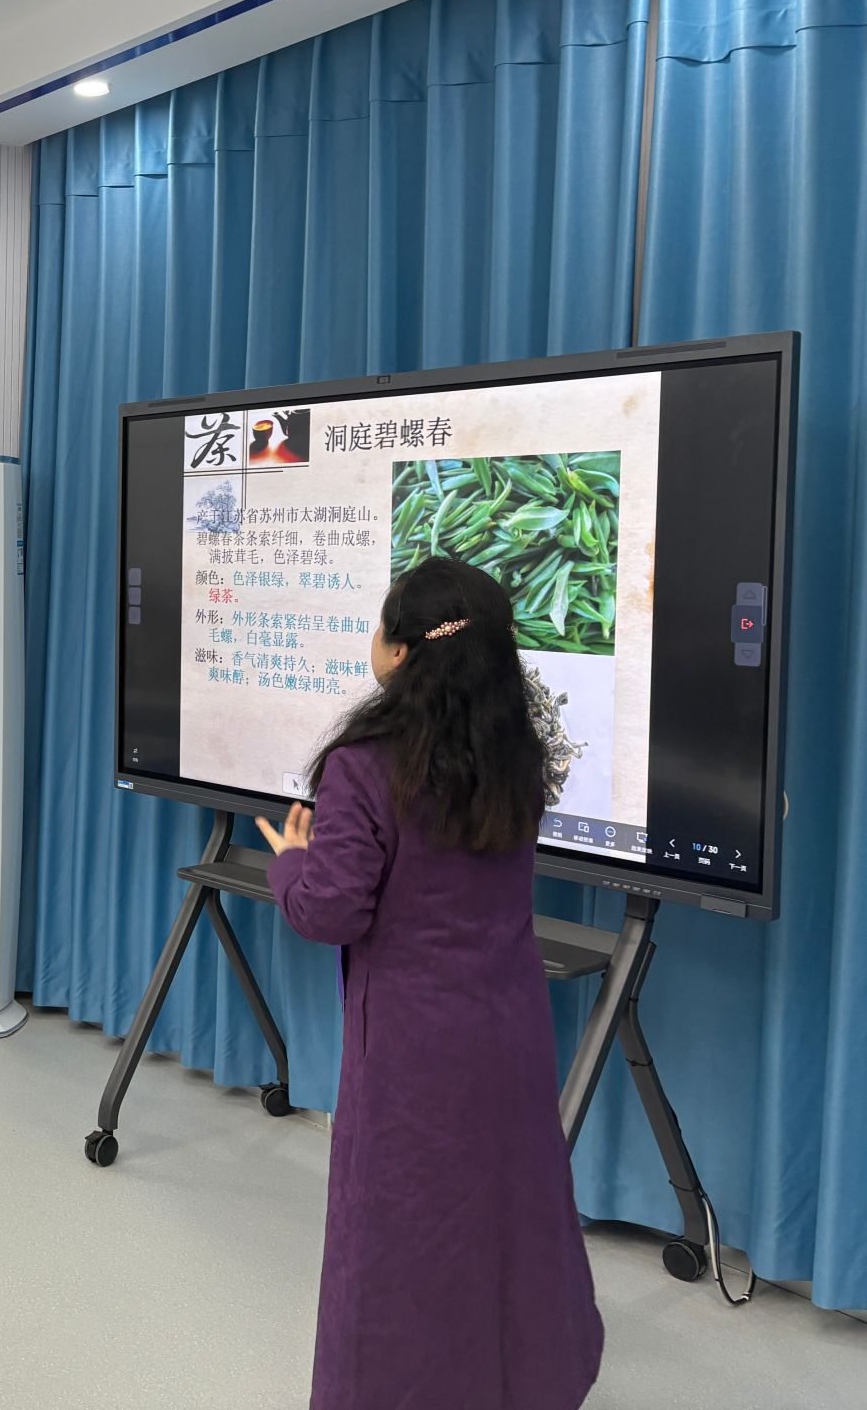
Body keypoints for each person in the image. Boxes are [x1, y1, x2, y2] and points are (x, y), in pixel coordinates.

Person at [256, 558, 602, 1410]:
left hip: (414, 1051)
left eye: (381, 626)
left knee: (406, 1235)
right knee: (511, 1215)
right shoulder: (518, 752)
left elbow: (330, 911)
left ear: (402, 652)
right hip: (510, 1026)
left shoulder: (364, 767)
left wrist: (290, 864)